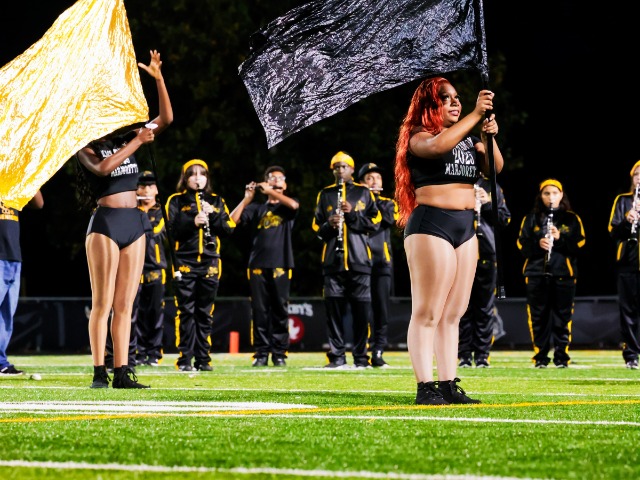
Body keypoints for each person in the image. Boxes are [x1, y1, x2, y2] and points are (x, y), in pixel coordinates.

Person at [394, 76, 502, 405]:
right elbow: (437, 147)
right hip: (432, 224)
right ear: (430, 105)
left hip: (465, 227)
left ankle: (447, 384)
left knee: (454, 313)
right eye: (446, 98)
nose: (455, 102)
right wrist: (475, 114)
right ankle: (424, 386)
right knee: (428, 312)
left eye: (457, 97)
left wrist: (487, 137)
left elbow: (495, 169)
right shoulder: (418, 136)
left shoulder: (467, 140)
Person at [76, 50, 173, 389]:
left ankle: (122, 372)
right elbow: (104, 168)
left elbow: (166, 118)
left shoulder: (126, 138)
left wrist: (158, 79)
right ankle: (99, 372)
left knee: (125, 305)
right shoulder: (85, 147)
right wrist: (137, 141)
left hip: (134, 223)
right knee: (102, 304)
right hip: (105, 224)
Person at [312, 151, 381, 369]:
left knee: (361, 313)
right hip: (333, 261)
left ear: (352, 169)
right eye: (336, 167)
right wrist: (329, 225)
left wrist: (351, 215)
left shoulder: (363, 192)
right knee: (334, 312)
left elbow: (375, 222)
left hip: (360, 261)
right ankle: (337, 357)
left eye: (344, 167)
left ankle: (361, 358)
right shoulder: (325, 194)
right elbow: (316, 227)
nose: (340, 171)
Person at [166, 159, 235, 372]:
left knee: (205, 312)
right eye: (192, 174)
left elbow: (228, 229)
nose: (197, 178)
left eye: (202, 174)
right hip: (184, 261)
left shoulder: (217, 200)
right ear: (185, 178)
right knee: (186, 311)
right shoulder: (176, 200)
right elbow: (169, 231)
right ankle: (185, 359)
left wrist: (213, 215)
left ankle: (203, 359)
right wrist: (192, 222)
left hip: (210, 261)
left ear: (207, 178)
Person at [230, 166, 299, 367]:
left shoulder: (286, 207)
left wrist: (270, 191)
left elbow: (294, 205)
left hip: (281, 264)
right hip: (257, 265)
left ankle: (279, 353)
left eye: (280, 178)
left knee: (280, 310)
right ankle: (261, 353)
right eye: (271, 178)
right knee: (259, 311)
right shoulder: (257, 209)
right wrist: (246, 199)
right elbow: (232, 221)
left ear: (285, 184)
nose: (276, 180)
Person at [516, 179, 585, 369]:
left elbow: (579, 245)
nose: (551, 197)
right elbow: (522, 245)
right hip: (536, 273)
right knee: (538, 317)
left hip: (564, 274)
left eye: (555, 193)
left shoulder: (571, 219)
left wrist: (560, 239)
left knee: (563, 318)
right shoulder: (531, 218)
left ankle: (562, 356)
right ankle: (540, 357)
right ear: (541, 196)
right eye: (546, 193)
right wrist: (538, 244)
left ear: (561, 195)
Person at [458, 175, 511, 368]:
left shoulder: (492, 186)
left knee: (485, 308)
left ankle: (482, 355)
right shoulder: (456, 182)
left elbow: (504, 219)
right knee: (461, 307)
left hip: (487, 253)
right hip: (461, 250)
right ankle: (464, 355)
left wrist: (488, 203)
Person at [356, 162, 398, 367]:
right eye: (369, 178)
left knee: (381, 309)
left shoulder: (388, 203)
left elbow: (386, 220)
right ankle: (361, 351)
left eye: (378, 178)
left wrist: (367, 201)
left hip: (381, 263)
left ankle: (378, 350)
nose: (375, 181)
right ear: (361, 183)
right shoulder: (356, 203)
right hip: (359, 261)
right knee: (362, 310)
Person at [0, 191, 44, 376]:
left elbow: (39, 203)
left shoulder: (14, 183)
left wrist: (28, 177)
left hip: (13, 256)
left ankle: (1, 362)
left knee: (5, 315)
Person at [133, 171, 168, 367]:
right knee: (136, 312)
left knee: (155, 312)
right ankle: (139, 352)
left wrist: (143, 211)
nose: (146, 190)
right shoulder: (131, 210)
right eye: (142, 186)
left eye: (150, 186)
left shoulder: (162, 212)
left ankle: (154, 353)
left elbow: (154, 232)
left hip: (155, 267)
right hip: (134, 267)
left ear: (156, 190)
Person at [608, 160, 640, 369]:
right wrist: (627, 220)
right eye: (637, 174)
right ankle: (631, 355)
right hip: (628, 262)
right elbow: (613, 231)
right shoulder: (623, 200)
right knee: (628, 311)